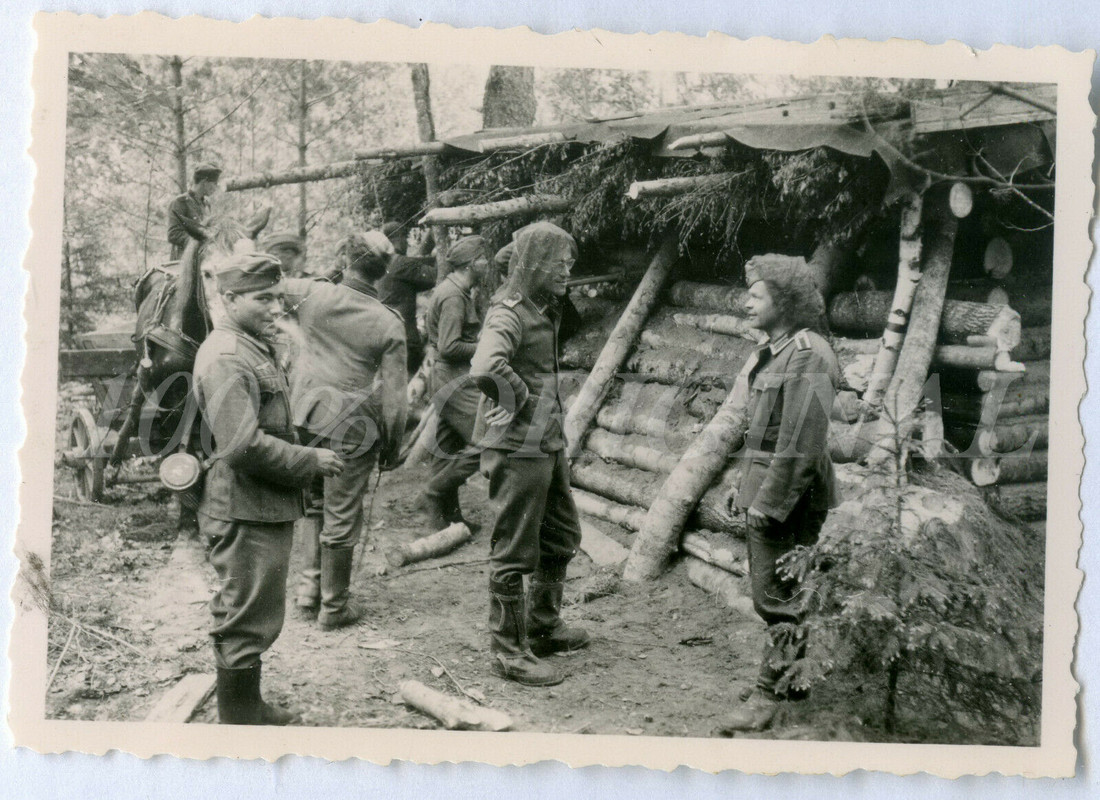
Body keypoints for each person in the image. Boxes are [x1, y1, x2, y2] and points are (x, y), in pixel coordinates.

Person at [193, 252, 344, 725]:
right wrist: (309, 460)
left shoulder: (250, 345)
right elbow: (242, 445)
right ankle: (240, 719)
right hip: (245, 507)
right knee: (245, 615)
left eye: (279, 296)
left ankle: (245, 707)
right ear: (230, 298)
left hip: (261, 503)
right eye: (263, 298)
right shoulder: (226, 357)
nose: (276, 306)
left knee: (256, 611)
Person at [717, 254, 840, 735]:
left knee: (777, 599)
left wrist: (768, 503)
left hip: (792, 496)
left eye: (757, 294)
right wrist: (740, 484)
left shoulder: (810, 354)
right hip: (768, 486)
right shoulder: (778, 350)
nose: (747, 302)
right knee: (781, 593)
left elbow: (801, 445)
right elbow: (764, 433)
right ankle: (794, 680)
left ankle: (769, 696)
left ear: (784, 302)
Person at [469, 221, 590, 688]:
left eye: (569, 263)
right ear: (537, 264)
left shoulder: (542, 305)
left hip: (544, 439)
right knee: (514, 549)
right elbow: (485, 365)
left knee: (561, 534)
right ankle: (508, 651)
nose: (567, 271)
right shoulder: (511, 312)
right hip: (518, 444)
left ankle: (541, 626)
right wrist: (515, 397)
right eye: (559, 263)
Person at [285, 231, 408, 630]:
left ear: (344, 257)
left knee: (314, 502)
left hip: (302, 416)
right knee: (341, 512)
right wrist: (393, 442)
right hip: (352, 425)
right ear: (385, 270)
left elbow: (265, 284)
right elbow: (395, 398)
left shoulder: (310, 293)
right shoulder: (388, 322)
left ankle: (309, 589)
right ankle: (334, 607)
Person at [419, 235, 489, 531]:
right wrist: (486, 345)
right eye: (483, 259)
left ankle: (446, 519)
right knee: (490, 439)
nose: (487, 264)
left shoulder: (453, 291)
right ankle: (433, 493)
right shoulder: (452, 297)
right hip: (454, 378)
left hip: (447, 377)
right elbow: (449, 346)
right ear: (472, 264)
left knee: (447, 445)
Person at [377, 221, 438, 373]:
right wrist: (441, 257)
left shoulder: (380, 264)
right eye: (406, 238)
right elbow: (435, 276)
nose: (407, 243)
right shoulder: (400, 263)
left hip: (384, 336)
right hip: (404, 338)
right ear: (398, 238)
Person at [168, 162, 222, 259]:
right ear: (205, 182)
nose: (216, 188)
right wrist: (197, 243)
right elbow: (173, 234)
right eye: (214, 184)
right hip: (183, 261)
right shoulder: (180, 202)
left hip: (204, 259)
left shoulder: (206, 204)